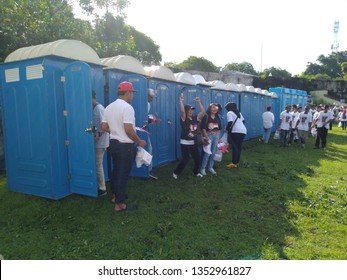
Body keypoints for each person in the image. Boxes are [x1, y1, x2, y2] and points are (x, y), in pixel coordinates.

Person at [102, 81, 146, 212]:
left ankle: (116, 196)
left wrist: (115, 131)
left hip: (113, 144)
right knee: (123, 174)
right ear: (127, 93)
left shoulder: (109, 107)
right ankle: (120, 204)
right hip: (125, 146)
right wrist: (139, 141)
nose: (132, 96)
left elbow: (104, 127)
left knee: (116, 171)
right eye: (131, 93)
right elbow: (128, 129)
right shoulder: (127, 108)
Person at [173, 95, 205, 179]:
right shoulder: (184, 119)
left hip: (193, 142)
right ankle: (176, 173)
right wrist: (181, 101)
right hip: (185, 142)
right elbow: (182, 112)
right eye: (189, 110)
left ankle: (196, 172)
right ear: (186, 111)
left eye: (192, 110)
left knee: (197, 159)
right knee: (185, 159)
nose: (191, 111)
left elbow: (202, 112)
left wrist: (199, 102)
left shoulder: (194, 118)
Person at [92, 91, 109, 197]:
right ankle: (97, 185)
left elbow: (105, 125)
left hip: (101, 142)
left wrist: (99, 133)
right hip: (95, 140)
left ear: (93, 98)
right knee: (96, 164)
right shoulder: (93, 108)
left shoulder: (99, 108)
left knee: (98, 165)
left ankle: (102, 189)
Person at [200, 103, 222, 175]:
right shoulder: (206, 116)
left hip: (216, 136)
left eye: (216, 108)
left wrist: (218, 137)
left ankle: (210, 167)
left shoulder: (217, 117)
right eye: (213, 107)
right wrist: (206, 137)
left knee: (213, 152)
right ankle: (203, 168)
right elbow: (203, 128)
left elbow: (219, 128)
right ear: (210, 108)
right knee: (207, 153)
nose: (214, 109)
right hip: (208, 136)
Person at [145, 88, 161, 179]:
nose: (152, 99)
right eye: (151, 97)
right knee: (149, 149)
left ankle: (146, 170)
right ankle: (148, 170)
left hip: (141, 128)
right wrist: (152, 120)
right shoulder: (146, 104)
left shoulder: (145, 103)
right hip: (142, 129)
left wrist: (153, 120)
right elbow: (144, 118)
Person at [225, 102, 247, 169]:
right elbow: (243, 121)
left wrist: (226, 129)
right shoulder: (239, 113)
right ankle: (236, 162)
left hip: (236, 131)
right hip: (243, 131)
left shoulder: (229, 113)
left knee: (235, 147)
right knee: (238, 147)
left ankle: (233, 163)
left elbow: (230, 122)